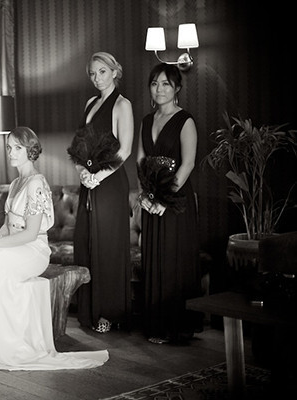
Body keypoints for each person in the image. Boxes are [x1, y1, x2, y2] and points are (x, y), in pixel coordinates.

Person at [0, 127, 109, 370]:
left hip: (33, 250)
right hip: (14, 245)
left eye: (17, 148)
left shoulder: (36, 183)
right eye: (9, 147)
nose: (10, 152)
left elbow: (30, 233)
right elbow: (7, 227)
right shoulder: (15, 183)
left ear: (30, 151)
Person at [136, 63, 203, 344]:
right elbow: (141, 161)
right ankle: (156, 324)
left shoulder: (185, 121)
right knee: (154, 260)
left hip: (176, 203)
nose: (159, 89)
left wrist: (165, 198)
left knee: (173, 261)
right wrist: (145, 195)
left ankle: (176, 326)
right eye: (154, 83)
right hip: (152, 200)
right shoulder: (146, 121)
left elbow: (187, 164)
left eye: (165, 83)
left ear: (177, 88)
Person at [70, 52, 134, 333]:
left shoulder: (122, 105)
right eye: (93, 73)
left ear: (114, 72)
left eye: (102, 72)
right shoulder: (90, 103)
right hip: (89, 182)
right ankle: (89, 312)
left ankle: (109, 312)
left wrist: (98, 176)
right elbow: (79, 146)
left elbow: (125, 150)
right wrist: (82, 172)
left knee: (107, 247)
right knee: (86, 243)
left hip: (110, 184)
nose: (97, 78)